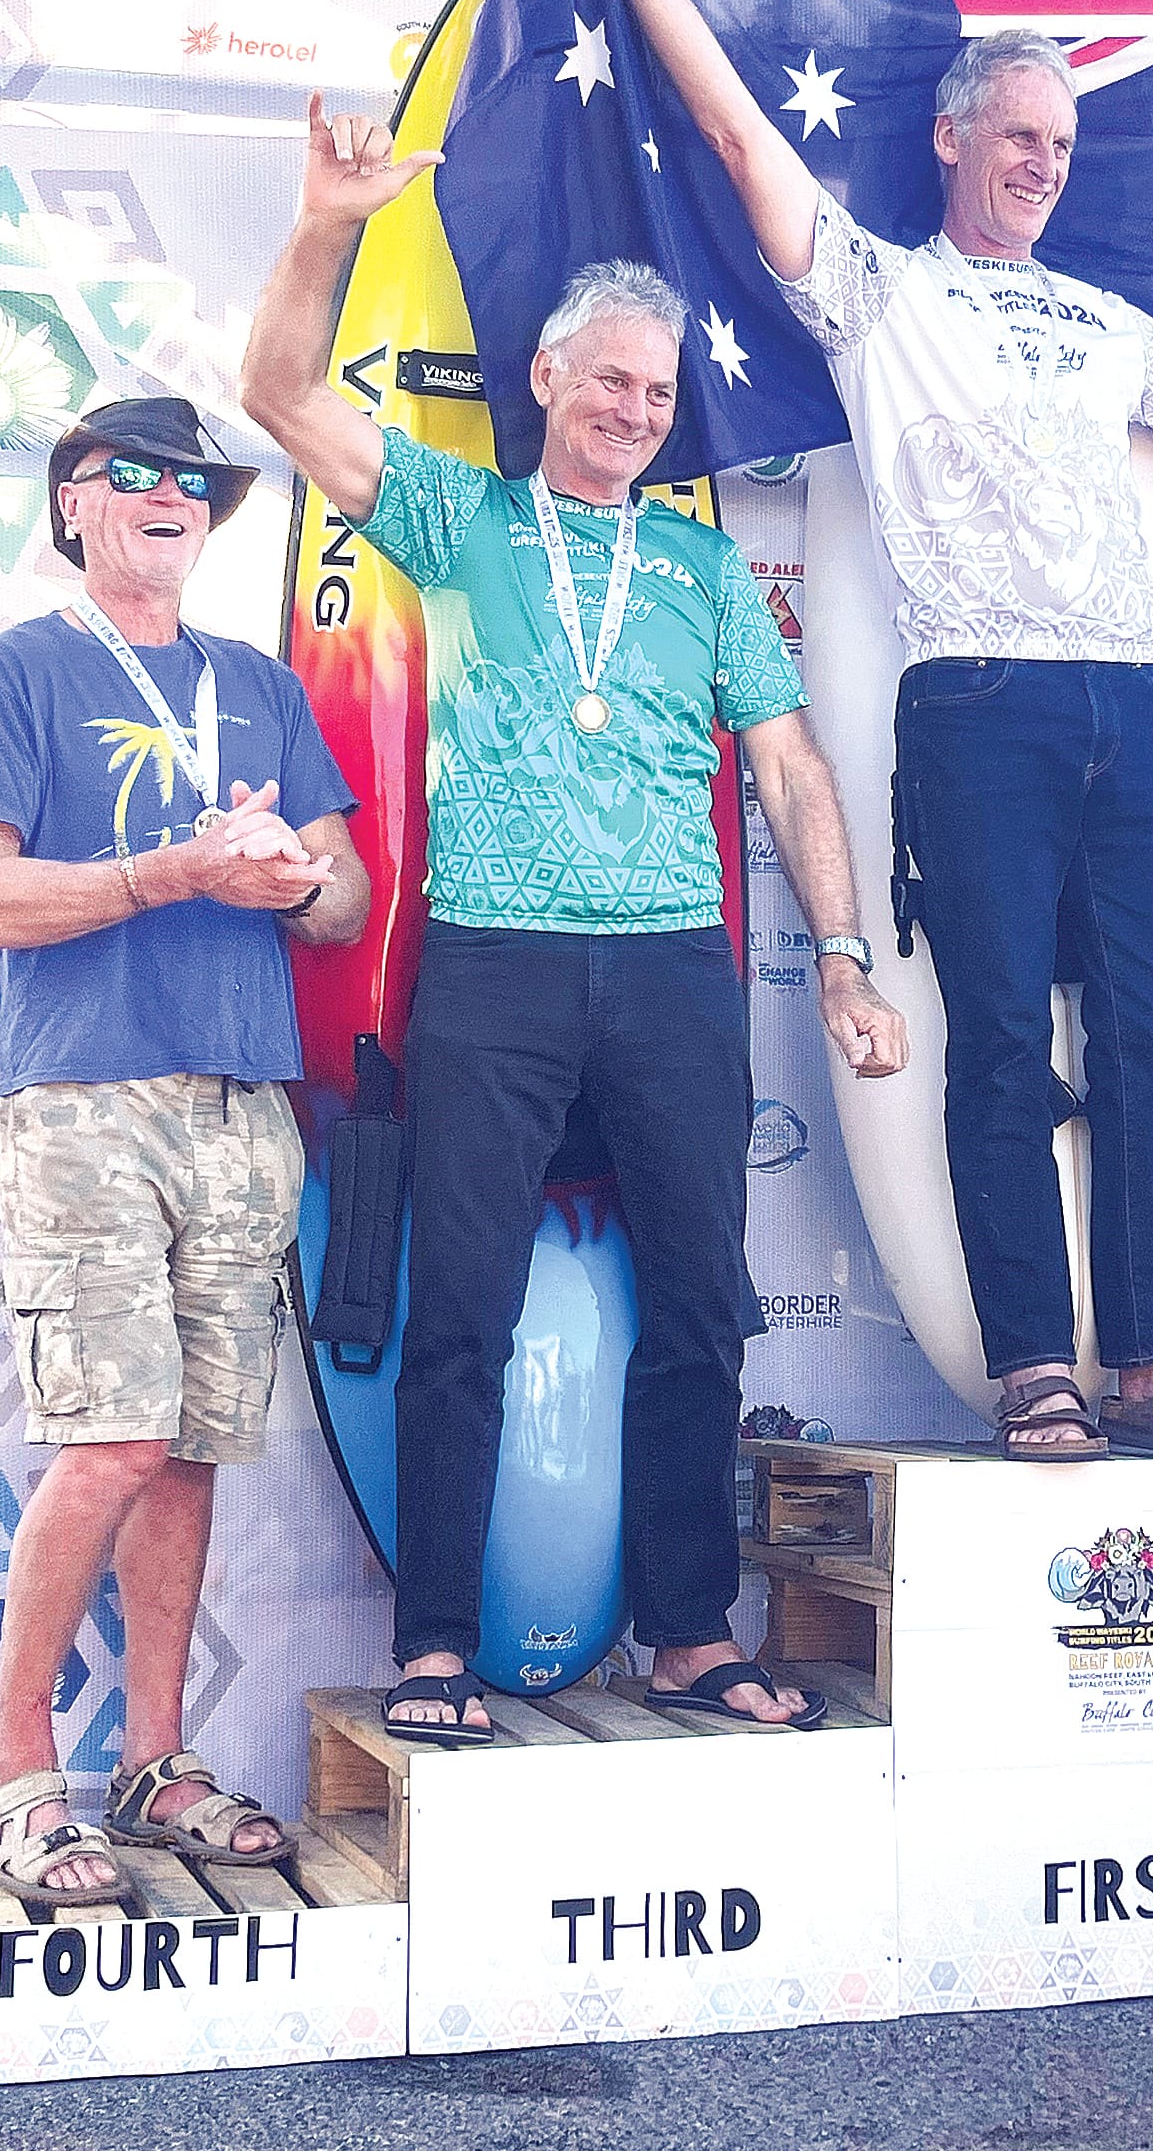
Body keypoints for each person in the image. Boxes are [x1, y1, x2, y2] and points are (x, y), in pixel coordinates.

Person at [556, 0, 1153, 1461]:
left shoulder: (1106, 321)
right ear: (954, 135)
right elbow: (736, 130)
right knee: (999, 1041)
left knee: (1152, 1028)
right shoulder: (880, 291)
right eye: (1019, 132)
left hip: (1132, 699)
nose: (1042, 161)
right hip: (976, 700)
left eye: (1061, 142)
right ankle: (1034, 1360)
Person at [241, 102, 909, 1736]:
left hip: (675, 969)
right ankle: (436, 1642)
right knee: (460, 1312)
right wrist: (329, 221)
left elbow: (791, 766)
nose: (633, 408)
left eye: (657, 392)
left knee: (698, 1307)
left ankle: (687, 1632)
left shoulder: (700, 569)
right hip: (496, 963)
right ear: (544, 379)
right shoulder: (461, 519)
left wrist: (838, 955)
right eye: (609, 379)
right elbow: (277, 395)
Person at [0, 394, 369, 1902]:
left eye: (195, 480)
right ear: (73, 503)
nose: (172, 493)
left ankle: (155, 1761)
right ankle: (14, 1770)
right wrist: (174, 870)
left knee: (182, 1450)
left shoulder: (259, 682)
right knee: (110, 1438)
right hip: (84, 1099)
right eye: (135, 473)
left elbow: (345, 900)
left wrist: (289, 873)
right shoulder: (14, 671)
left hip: (245, 1101)